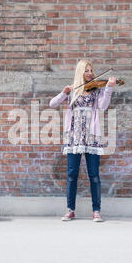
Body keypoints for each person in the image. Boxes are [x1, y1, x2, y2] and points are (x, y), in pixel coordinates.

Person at [49, 59, 116, 222]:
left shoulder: (96, 90)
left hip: (91, 137)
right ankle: (70, 210)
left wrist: (108, 88)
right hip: (74, 137)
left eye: (91, 70)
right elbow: (52, 104)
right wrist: (63, 92)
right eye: (87, 70)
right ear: (80, 72)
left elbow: (102, 106)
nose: (90, 73)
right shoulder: (72, 91)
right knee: (72, 174)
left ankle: (96, 211)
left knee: (94, 174)